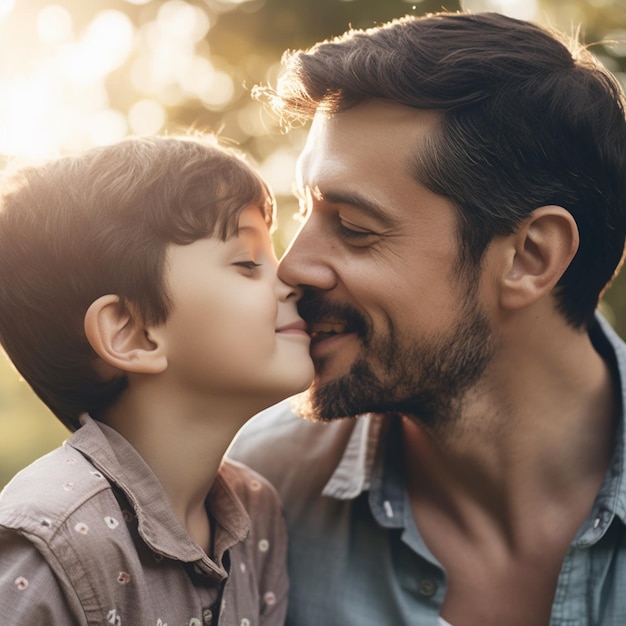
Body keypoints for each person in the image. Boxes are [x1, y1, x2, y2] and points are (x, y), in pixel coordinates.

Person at [228, 11, 626, 626]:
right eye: (303, 210)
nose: (291, 267)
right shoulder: (257, 492)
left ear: (529, 256)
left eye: (355, 228)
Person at [0, 135, 314, 625]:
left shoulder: (257, 512)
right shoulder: (47, 544)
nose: (292, 278)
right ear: (133, 334)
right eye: (248, 264)